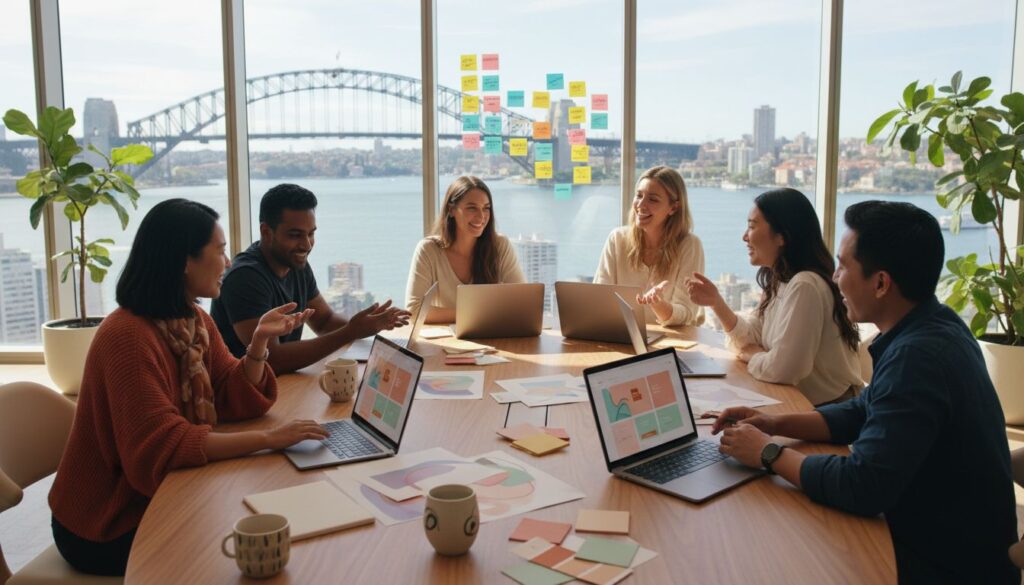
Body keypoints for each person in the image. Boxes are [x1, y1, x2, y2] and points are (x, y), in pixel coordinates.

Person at [713, 201, 1018, 584]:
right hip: (946, 541)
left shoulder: (917, 357)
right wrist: (773, 423)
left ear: (880, 283)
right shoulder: (935, 326)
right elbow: (862, 410)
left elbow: (863, 486)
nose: (835, 276)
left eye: (843, 266)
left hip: (942, 564)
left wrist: (768, 454)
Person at [48, 199, 330, 576]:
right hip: (106, 523)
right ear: (185, 261)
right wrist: (271, 438)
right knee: (232, 544)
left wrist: (259, 343)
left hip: (155, 495)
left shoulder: (191, 318)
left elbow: (231, 393)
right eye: (220, 250)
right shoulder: (127, 337)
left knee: (262, 514)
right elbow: (164, 446)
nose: (228, 262)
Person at [687, 188, 861, 405]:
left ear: (781, 236)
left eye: (751, 226)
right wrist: (716, 303)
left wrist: (753, 356)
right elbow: (751, 339)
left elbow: (784, 370)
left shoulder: (805, 285)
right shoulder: (780, 281)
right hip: (797, 402)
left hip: (828, 411)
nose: (744, 236)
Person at [212, 184, 409, 374]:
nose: (306, 245)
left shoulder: (295, 264)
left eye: (311, 233)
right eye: (295, 235)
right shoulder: (244, 278)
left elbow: (324, 322)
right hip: (245, 397)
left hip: (284, 386)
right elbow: (272, 359)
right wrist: (350, 331)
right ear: (266, 232)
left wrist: (369, 325)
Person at [594, 165, 704, 327]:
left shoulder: (690, 245)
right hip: (623, 337)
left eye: (652, 199)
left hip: (672, 343)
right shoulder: (617, 239)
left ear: (673, 207)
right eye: (639, 195)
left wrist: (658, 304)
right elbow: (599, 298)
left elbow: (686, 313)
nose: (641, 205)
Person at [405, 176, 524, 323]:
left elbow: (523, 303)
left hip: (494, 339)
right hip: (448, 342)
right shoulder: (428, 250)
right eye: (472, 208)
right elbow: (414, 310)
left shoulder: (500, 246)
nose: (481, 216)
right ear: (452, 210)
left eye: (486, 208)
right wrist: (475, 315)